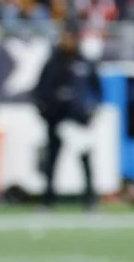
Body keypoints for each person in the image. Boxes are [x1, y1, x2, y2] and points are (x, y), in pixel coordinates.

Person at [31, 26, 100, 210]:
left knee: (85, 161)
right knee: (52, 162)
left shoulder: (85, 63)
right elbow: (39, 91)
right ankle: (48, 202)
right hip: (56, 120)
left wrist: (90, 111)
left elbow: (97, 91)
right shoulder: (53, 63)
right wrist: (46, 111)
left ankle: (90, 202)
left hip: (78, 121)